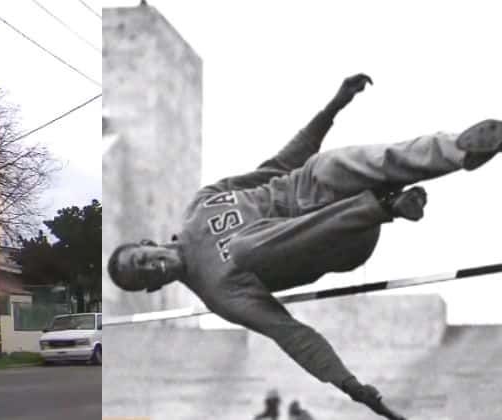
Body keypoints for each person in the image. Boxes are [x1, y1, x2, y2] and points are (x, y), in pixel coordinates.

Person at [106, 73, 502, 420]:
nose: (153, 267)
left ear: (148, 244)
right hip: (342, 240)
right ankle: (384, 206)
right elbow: (291, 333)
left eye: (144, 259)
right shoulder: (220, 294)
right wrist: (351, 386)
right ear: (154, 288)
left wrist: (335, 105)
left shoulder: (202, 202)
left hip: (315, 189)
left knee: (325, 165)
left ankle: (461, 151)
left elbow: (281, 163)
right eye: (146, 276)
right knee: (243, 252)